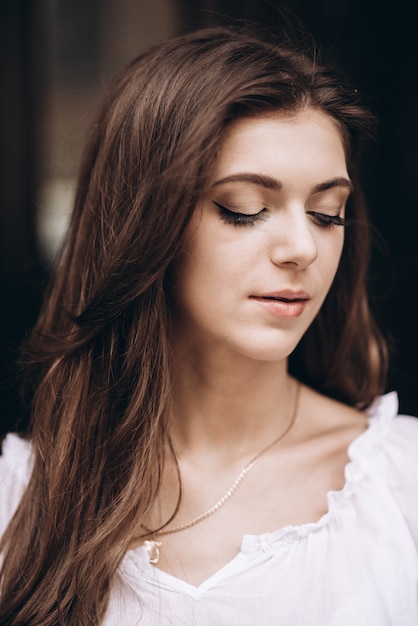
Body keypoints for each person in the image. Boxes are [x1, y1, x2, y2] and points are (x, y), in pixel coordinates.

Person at [0, 24, 417, 626]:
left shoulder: (398, 487)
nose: (302, 246)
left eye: (328, 214)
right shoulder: (22, 500)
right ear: (145, 224)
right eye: (244, 208)